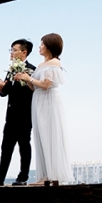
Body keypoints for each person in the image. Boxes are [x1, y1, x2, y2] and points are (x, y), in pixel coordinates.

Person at [0, 39, 35, 186]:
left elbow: (27, 92)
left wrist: (7, 87)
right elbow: (6, 93)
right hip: (11, 115)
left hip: (24, 115)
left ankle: (23, 177)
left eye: (14, 50)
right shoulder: (10, 70)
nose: (11, 53)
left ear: (24, 52)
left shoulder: (31, 70)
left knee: (24, 146)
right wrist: (1, 88)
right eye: (11, 50)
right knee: (5, 147)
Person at [30, 33, 71, 186]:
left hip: (49, 101)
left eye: (42, 44)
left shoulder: (54, 63)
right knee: (41, 135)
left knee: (50, 135)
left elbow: (46, 85)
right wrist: (25, 79)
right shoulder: (41, 65)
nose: (39, 47)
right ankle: (44, 175)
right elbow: (34, 86)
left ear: (49, 45)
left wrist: (29, 78)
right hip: (39, 100)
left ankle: (52, 176)